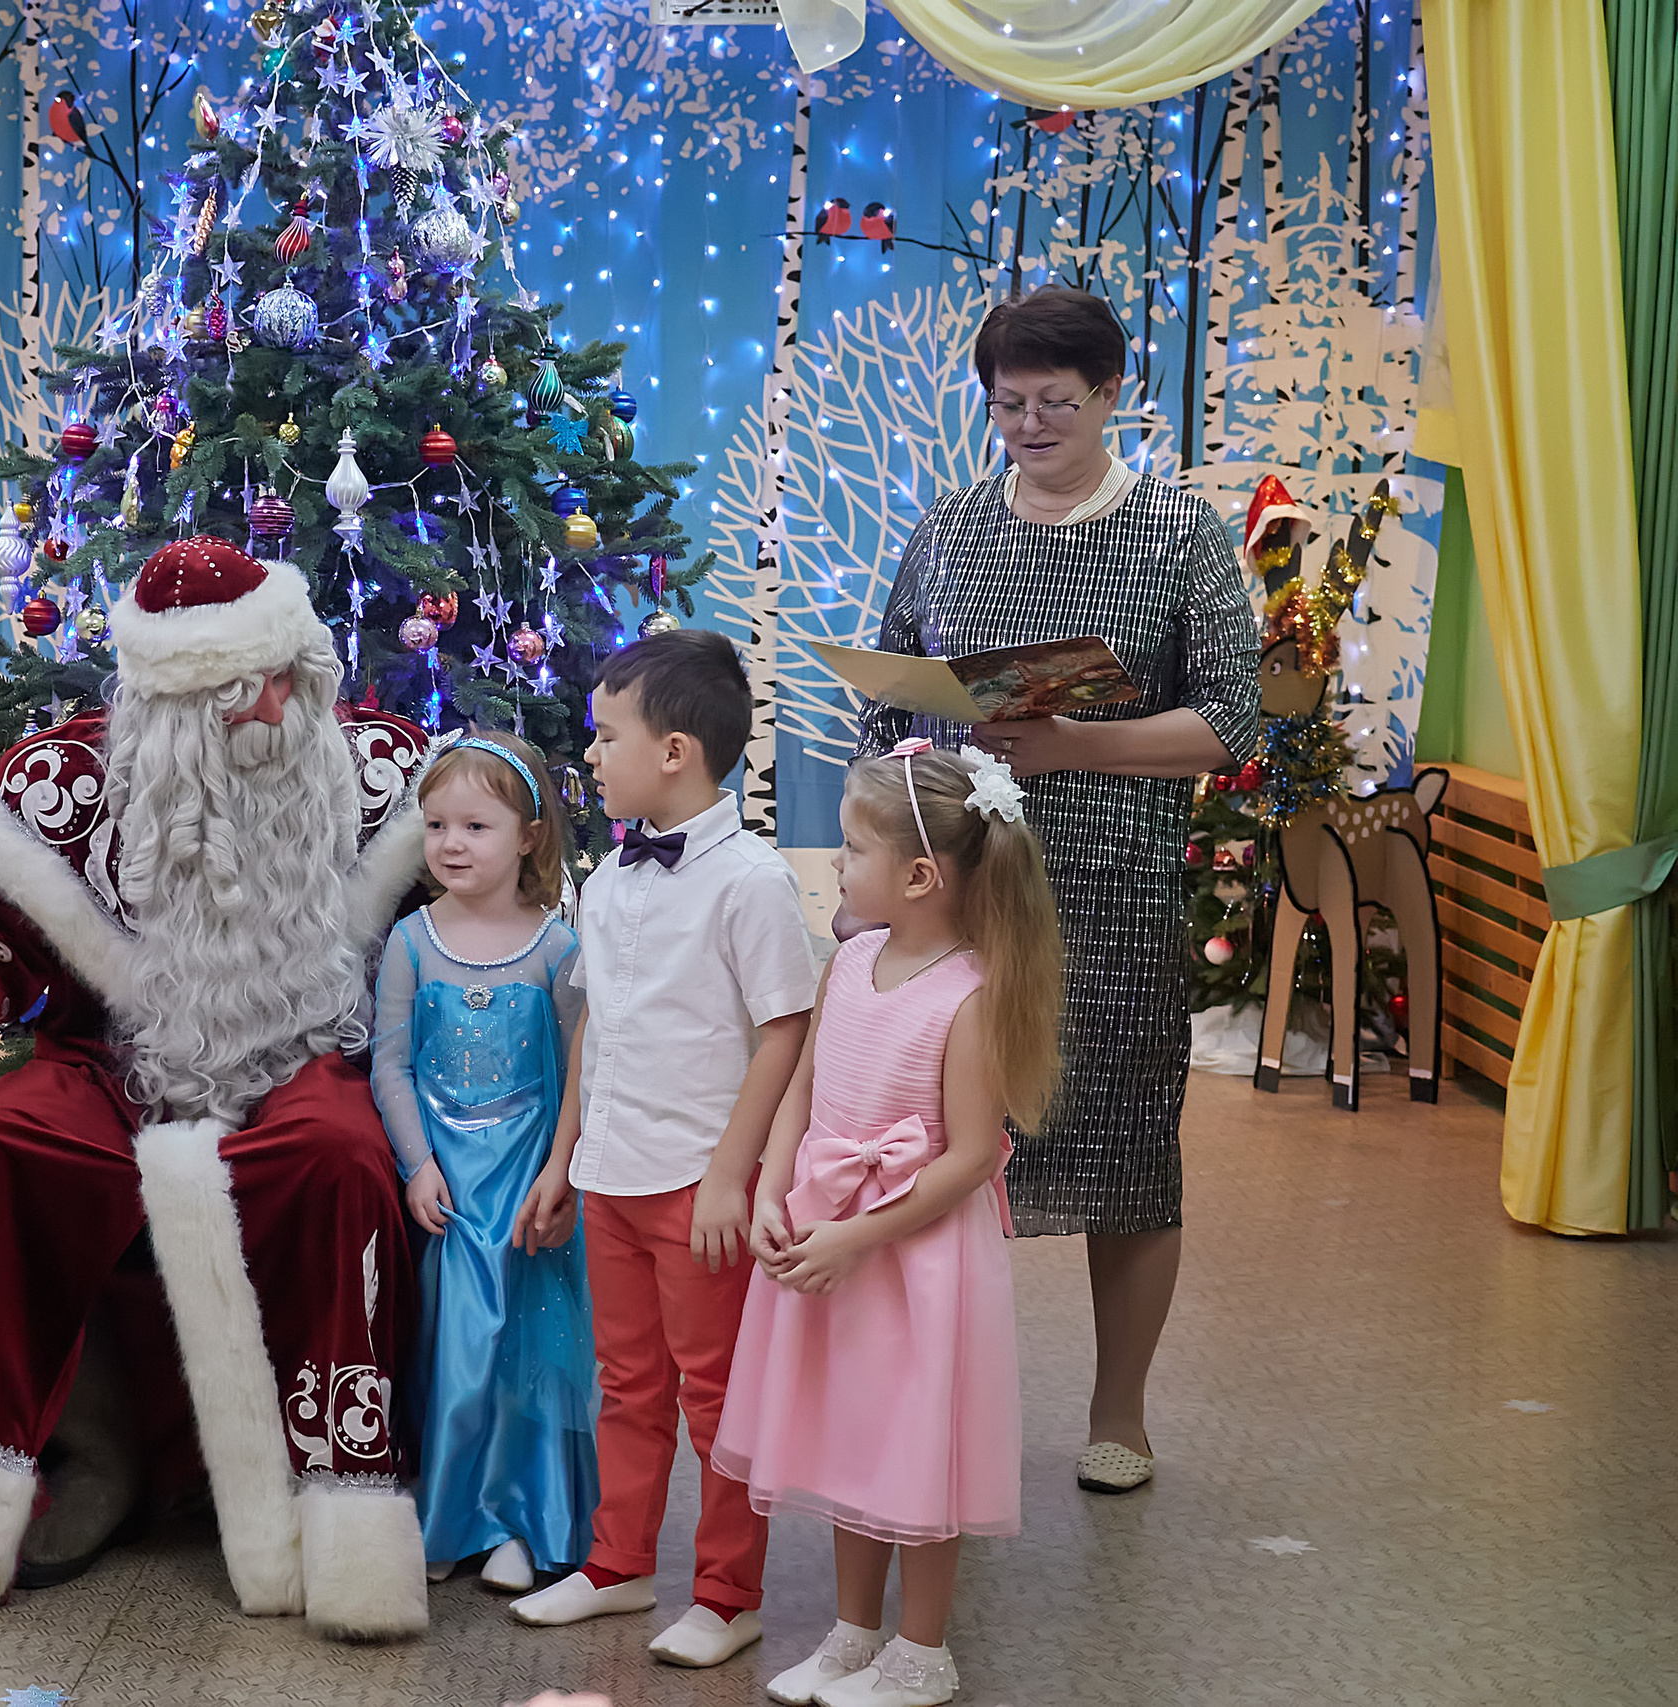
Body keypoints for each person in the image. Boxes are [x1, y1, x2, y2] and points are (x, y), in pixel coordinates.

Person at [0, 536, 437, 1641]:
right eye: (248, 692)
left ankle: (333, 1491)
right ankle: (74, 1456)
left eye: (293, 674)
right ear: (174, 709)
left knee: (335, 1159)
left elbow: (489, 915)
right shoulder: (63, 790)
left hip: (312, 1055)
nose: (281, 706)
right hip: (119, 1060)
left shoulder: (382, 774)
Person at [854, 285, 1259, 1496]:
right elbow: (888, 695)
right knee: (931, 1147)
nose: (1029, 425)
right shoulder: (954, 523)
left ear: (1109, 396)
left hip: (1112, 890)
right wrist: (913, 741)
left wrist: (1077, 744)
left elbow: (1233, 720)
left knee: (1126, 1148)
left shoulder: (1178, 533)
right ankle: (926, 1399)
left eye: (1054, 403)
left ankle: (1119, 1415)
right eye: (1007, 405)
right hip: (962, 896)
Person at [719, 742, 1063, 1707]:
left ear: (919, 876)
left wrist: (854, 1236)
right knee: (848, 1427)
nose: (836, 864)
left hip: (912, 1255)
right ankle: (852, 1631)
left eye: (851, 847)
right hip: (828, 1232)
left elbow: (968, 1156)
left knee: (917, 1440)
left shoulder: (969, 994)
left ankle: (922, 1649)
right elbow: (806, 1090)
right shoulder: (855, 956)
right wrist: (770, 1188)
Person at [508, 629, 818, 1671]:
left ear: (674, 752)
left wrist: (734, 1173)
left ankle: (729, 1594)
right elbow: (596, 1030)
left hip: (697, 1182)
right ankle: (617, 1564)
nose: (590, 756)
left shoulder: (750, 882)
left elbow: (785, 1029)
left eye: (606, 736)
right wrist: (563, 1160)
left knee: (712, 1396)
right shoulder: (610, 883)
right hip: (610, 1174)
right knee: (626, 1384)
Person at [371, 731, 595, 1594]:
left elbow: (579, 1067)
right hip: (449, 1179)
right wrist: (418, 1163)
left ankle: (518, 1520)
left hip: (528, 1171)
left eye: (476, 825)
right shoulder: (412, 941)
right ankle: (448, 1512)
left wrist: (561, 1171)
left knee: (525, 1350)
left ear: (529, 836)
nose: (452, 843)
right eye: (436, 825)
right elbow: (391, 1062)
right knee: (456, 1341)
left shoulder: (556, 948)